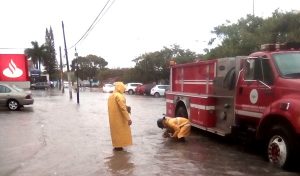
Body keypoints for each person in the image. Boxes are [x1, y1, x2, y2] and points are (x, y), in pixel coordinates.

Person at [108, 82, 132, 151]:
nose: (124, 90)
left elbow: (116, 107)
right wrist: (128, 119)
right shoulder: (119, 96)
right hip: (120, 120)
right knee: (121, 135)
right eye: (123, 88)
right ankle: (120, 152)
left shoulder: (111, 96)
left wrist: (126, 107)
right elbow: (122, 108)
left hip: (112, 120)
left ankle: (116, 148)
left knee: (115, 134)